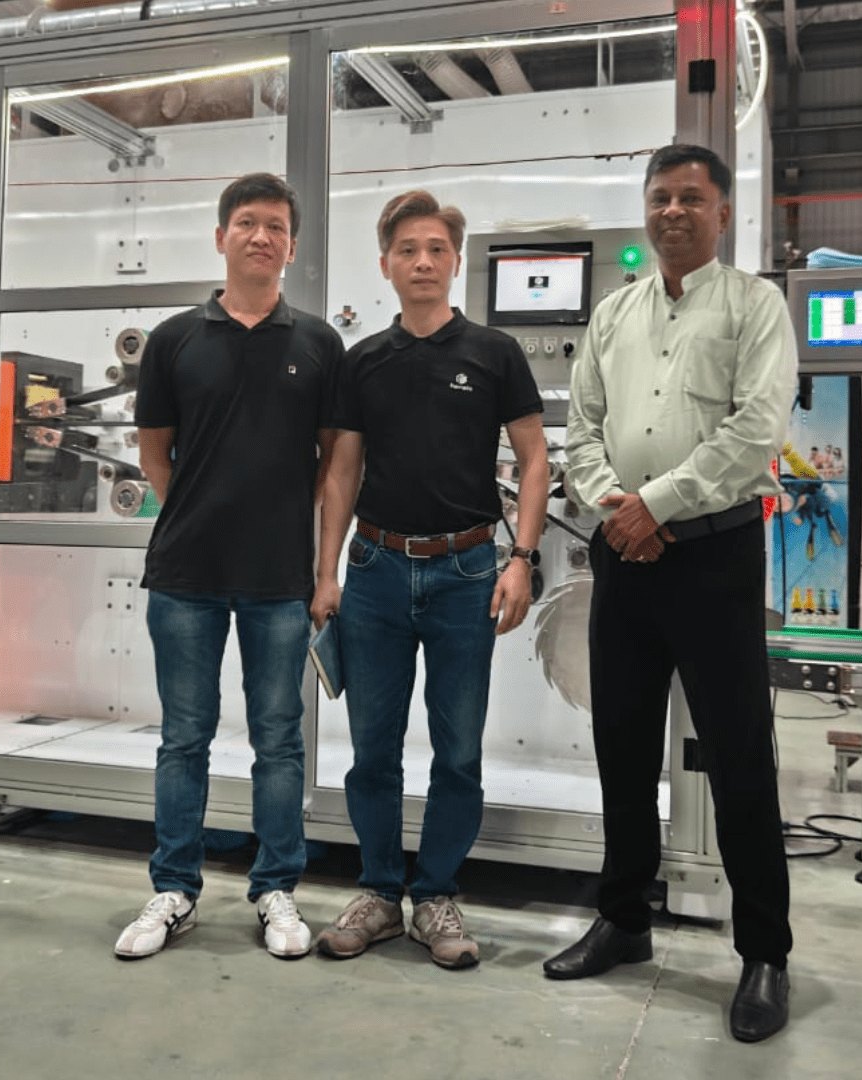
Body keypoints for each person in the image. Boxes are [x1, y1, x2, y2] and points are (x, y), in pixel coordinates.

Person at [546, 145, 797, 1043]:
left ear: (723, 213)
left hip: (715, 557)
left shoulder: (755, 307)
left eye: (692, 198)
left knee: (739, 755)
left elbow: (756, 429)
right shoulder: (615, 313)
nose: (673, 212)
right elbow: (581, 426)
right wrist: (614, 505)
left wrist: (656, 504)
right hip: (623, 554)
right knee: (621, 743)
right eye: (660, 198)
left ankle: (764, 952)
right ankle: (623, 919)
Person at [311, 190, 549, 969]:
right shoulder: (363, 362)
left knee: (458, 751)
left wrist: (522, 558)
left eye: (436, 249)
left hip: (466, 571)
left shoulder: (494, 353)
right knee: (372, 750)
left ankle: (436, 895)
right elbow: (341, 472)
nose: (422, 261)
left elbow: (535, 459)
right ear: (385, 263)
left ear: (456, 260)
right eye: (408, 249)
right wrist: (326, 573)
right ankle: (380, 893)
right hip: (375, 571)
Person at [114, 173, 343, 961]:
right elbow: (154, 452)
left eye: (276, 226)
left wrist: (319, 565)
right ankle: (174, 888)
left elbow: (331, 463)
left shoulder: (318, 344)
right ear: (221, 237)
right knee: (184, 737)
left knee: (279, 740)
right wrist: (199, 507)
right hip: (186, 574)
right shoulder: (175, 339)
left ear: (292, 245)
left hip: (279, 577)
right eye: (247, 222)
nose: (261, 236)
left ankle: (275, 888)